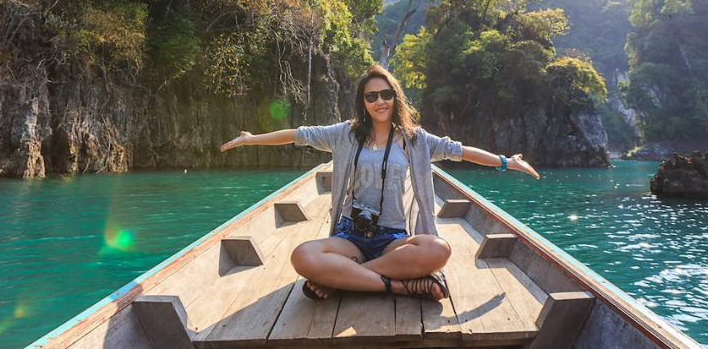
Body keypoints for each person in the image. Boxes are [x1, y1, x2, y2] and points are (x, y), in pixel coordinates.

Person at [220, 64, 539, 302]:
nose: (380, 101)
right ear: (363, 101)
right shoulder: (344, 134)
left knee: (437, 249)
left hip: (393, 239)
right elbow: (297, 134)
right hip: (351, 237)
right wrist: (251, 139)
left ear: (395, 97)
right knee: (302, 256)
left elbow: (460, 151)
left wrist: (505, 162)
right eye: (371, 96)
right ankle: (399, 285)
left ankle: (344, 278)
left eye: (386, 94)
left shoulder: (417, 140)